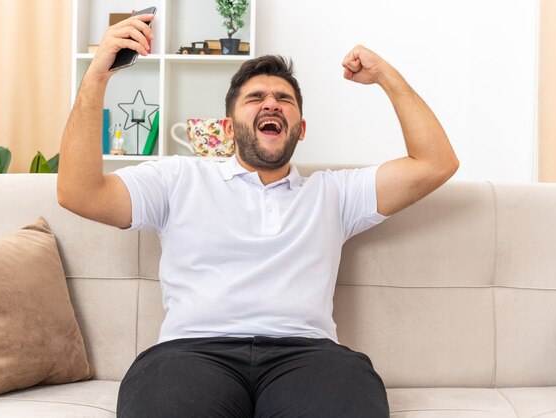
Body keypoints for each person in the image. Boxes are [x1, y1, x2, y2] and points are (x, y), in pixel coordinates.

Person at [58, 13, 459, 418]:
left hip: (308, 357)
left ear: (300, 129)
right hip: (191, 354)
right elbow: (80, 193)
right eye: (255, 98)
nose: (271, 103)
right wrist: (97, 76)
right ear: (229, 130)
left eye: (283, 99)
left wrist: (387, 77)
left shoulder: (335, 193)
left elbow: (435, 163)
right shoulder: (178, 178)